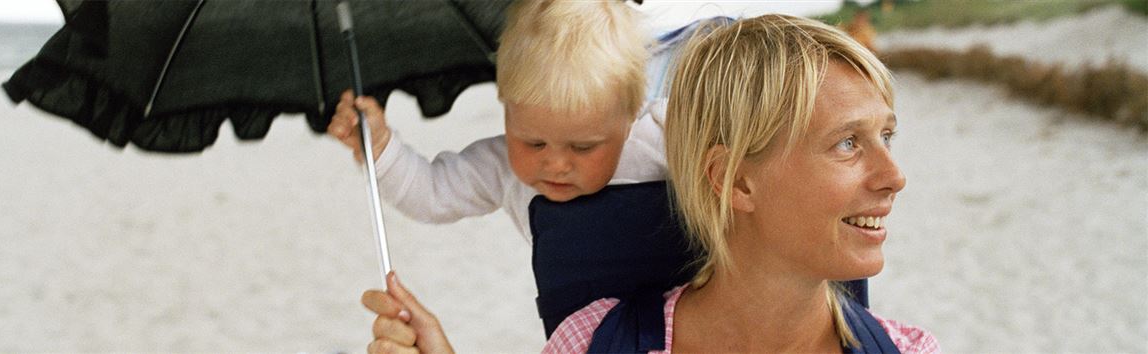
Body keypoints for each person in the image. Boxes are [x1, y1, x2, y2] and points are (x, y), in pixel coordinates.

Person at [360, 14, 941, 353]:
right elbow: (431, 190)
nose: (895, 177)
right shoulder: (590, 343)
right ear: (732, 180)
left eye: (885, 136)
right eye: (846, 143)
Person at [327, 0, 660, 241]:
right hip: (576, 332)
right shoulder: (502, 167)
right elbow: (431, 193)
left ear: (631, 117)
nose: (556, 164)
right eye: (534, 142)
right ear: (506, 111)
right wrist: (380, 146)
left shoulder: (664, 137)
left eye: (583, 147)